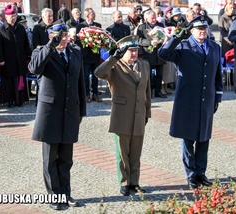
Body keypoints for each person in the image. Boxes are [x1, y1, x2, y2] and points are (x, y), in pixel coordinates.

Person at [158, 15, 223, 189]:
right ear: (192, 30)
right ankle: (191, 175)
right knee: (188, 139)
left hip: (206, 99)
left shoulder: (215, 47)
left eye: (204, 29)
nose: (202, 32)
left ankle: (201, 173)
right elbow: (162, 53)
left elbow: (218, 75)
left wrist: (217, 97)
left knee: (204, 138)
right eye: (198, 29)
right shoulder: (183, 46)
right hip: (187, 100)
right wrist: (178, 36)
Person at [28, 23, 86, 210]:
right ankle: (54, 195)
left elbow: (80, 83)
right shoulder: (42, 52)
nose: (64, 39)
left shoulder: (75, 52)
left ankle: (65, 194)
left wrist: (81, 111)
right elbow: (34, 68)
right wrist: (50, 46)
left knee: (66, 159)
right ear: (51, 36)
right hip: (50, 113)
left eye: (65, 35)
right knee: (50, 158)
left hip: (70, 112)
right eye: (59, 36)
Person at [94, 35, 151, 196]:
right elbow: (99, 73)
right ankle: (124, 182)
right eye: (130, 51)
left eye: (136, 51)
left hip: (139, 114)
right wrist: (113, 58)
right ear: (122, 51)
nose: (134, 54)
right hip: (122, 115)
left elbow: (147, 92)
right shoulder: (115, 67)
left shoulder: (144, 65)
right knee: (123, 152)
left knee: (135, 152)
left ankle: (135, 182)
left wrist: (148, 113)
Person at [0, 4, 30, 108]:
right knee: (9, 82)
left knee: (20, 79)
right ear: (6, 16)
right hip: (7, 60)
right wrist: (1, 59)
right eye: (11, 16)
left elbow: (25, 43)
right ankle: (9, 101)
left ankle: (20, 100)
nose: (13, 18)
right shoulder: (0, 30)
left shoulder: (21, 28)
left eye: (15, 16)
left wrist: (25, 55)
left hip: (19, 59)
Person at [136, 10, 166, 98]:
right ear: (146, 18)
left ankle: (158, 92)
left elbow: (164, 36)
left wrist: (161, 40)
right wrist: (150, 42)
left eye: (155, 17)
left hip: (159, 52)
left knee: (159, 74)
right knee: (148, 75)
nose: (154, 19)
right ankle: (148, 92)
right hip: (148, 53)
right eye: (152, 18)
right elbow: (139, 40)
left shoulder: (160, 25)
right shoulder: (142, 27)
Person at [76, 8, 103, 102]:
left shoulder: (98, 25)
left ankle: (95, 93)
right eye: (93, 14)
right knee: (85, 76)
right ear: (87, 15)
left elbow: (101, 38)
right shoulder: (80, 26)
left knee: (96, 75)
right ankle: (86, 94)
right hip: (85, 55)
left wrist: (97, 43)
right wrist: (87, 44)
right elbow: (78, 40)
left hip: (95, 55)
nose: (94, 15)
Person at [218, 2, 236, 67]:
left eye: (234, 8)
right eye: (231, 7)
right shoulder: (223, 18)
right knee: (227, 58)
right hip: (226, 41)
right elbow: (222, 31)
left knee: (235, 59)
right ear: (227, 8)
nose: (232, 9)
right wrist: (229, 40)